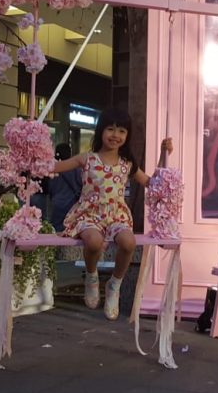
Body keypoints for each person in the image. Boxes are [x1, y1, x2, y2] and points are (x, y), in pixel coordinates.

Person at [53, 109, 172, 320]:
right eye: (110, 129)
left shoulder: (127, 164)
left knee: (128, 243)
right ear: (100, 131)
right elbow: (55, 167)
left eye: (121, 131)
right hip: (89, 215)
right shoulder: (87, 159)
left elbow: (153, 184)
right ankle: (91, 276)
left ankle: (114, 285)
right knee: (93, 242)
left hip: (116, 215)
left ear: (127, 136)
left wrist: (164, 156)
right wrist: (31, 156)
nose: (115, 135)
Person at [47, 143, 83, 233]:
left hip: (57, 202)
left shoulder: (55, 168)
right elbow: (81, 184)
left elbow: (50, 186)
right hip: (71, 203)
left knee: (55, 229)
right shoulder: (76, 169)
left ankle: (55, 246)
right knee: (69, 229)